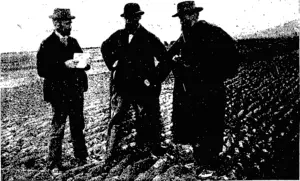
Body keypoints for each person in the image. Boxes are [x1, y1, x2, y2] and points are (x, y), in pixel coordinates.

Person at [168, 1, 239, 176]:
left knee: (211, 126)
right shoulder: (185, 36)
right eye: (181, 17)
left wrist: (217, 74)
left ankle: (211, 165)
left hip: (210, 89)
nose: (183, 20)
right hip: (193, 91)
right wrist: (174, 62)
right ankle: (200, 161)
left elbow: (232, 54)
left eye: (186, 16)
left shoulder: (212, 32)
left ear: (195, 15)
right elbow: (170, 54)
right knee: (196, 127)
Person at [101, 3, 168, 166]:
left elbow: (165, 60)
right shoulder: (118, 36)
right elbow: (104, 47)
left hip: (142, 87)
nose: (131, 20)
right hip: (122, 86)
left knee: (148, 118)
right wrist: (113, 63)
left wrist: (153, 79)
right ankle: (110, 155)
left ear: (139, 17)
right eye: (128, 17)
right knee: (116, 120)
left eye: (135, 17)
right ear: (125, 19)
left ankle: (150, 151)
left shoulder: (149, 37)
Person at [36, 8, 90, 175]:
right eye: (67, 22)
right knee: (58, 129)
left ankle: (81, 158)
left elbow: (83, 63)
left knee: (77, 126)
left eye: (70, 22)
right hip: (58, 94)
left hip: (75, 92)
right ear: (57, 23)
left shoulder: (73, 41)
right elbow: (42, 69)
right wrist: (63, 65)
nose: (70, 25)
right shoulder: (47, 44)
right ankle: (53, 163)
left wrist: (85, 63)